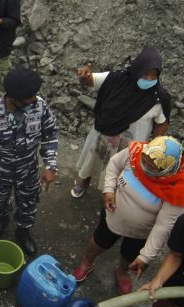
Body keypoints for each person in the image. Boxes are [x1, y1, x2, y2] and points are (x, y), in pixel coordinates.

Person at [72, 136, 184, 295]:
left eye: (151, 166)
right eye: (144, 161)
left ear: (166, 168)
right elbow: (114, 163)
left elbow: (163, 226)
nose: (143, 166)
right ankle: (87, 262)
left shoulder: (180, 189)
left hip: (140, 232)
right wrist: (109, 190)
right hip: (113, 215)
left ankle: (122, 271)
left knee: (130, 255)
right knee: (99, 240)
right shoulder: (137, 152)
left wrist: (145, 257)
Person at [0, 68, 58, 256]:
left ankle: (23, 232)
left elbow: (49, 135)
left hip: (28, 171)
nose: (34, 99)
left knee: (28, 205)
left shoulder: (40, 106)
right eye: (28, 97)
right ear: (13, 98)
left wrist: (50, 165)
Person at [71, 47, 171, 198]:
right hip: (103, 135)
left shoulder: (158, 98)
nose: (149, 79)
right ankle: (83, 182)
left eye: (154, 75)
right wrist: (84, 77)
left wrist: (154, 148)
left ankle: (111, 193)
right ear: (137, 70)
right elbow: (90, 80)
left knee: (120, 172)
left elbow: (162, 123)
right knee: (92, 160)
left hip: (129, 145)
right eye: (145, 74)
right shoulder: (115, 79)